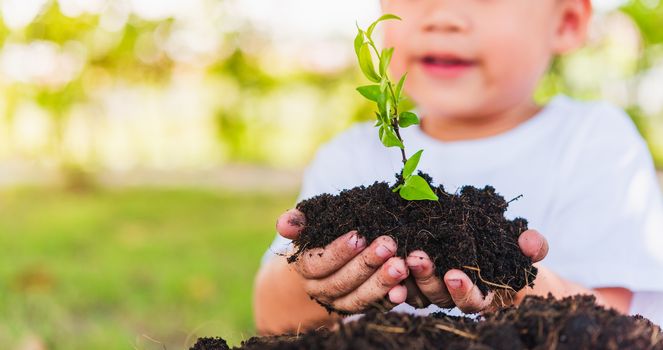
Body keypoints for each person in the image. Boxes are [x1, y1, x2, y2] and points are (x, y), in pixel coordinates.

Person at [253, 0, 663, 335]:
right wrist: (315, 278)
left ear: (567, 22)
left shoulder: (593, 142)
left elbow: (617, 328)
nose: (442, 17)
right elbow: (272, 317)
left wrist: (514, 284)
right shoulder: (349, 156)